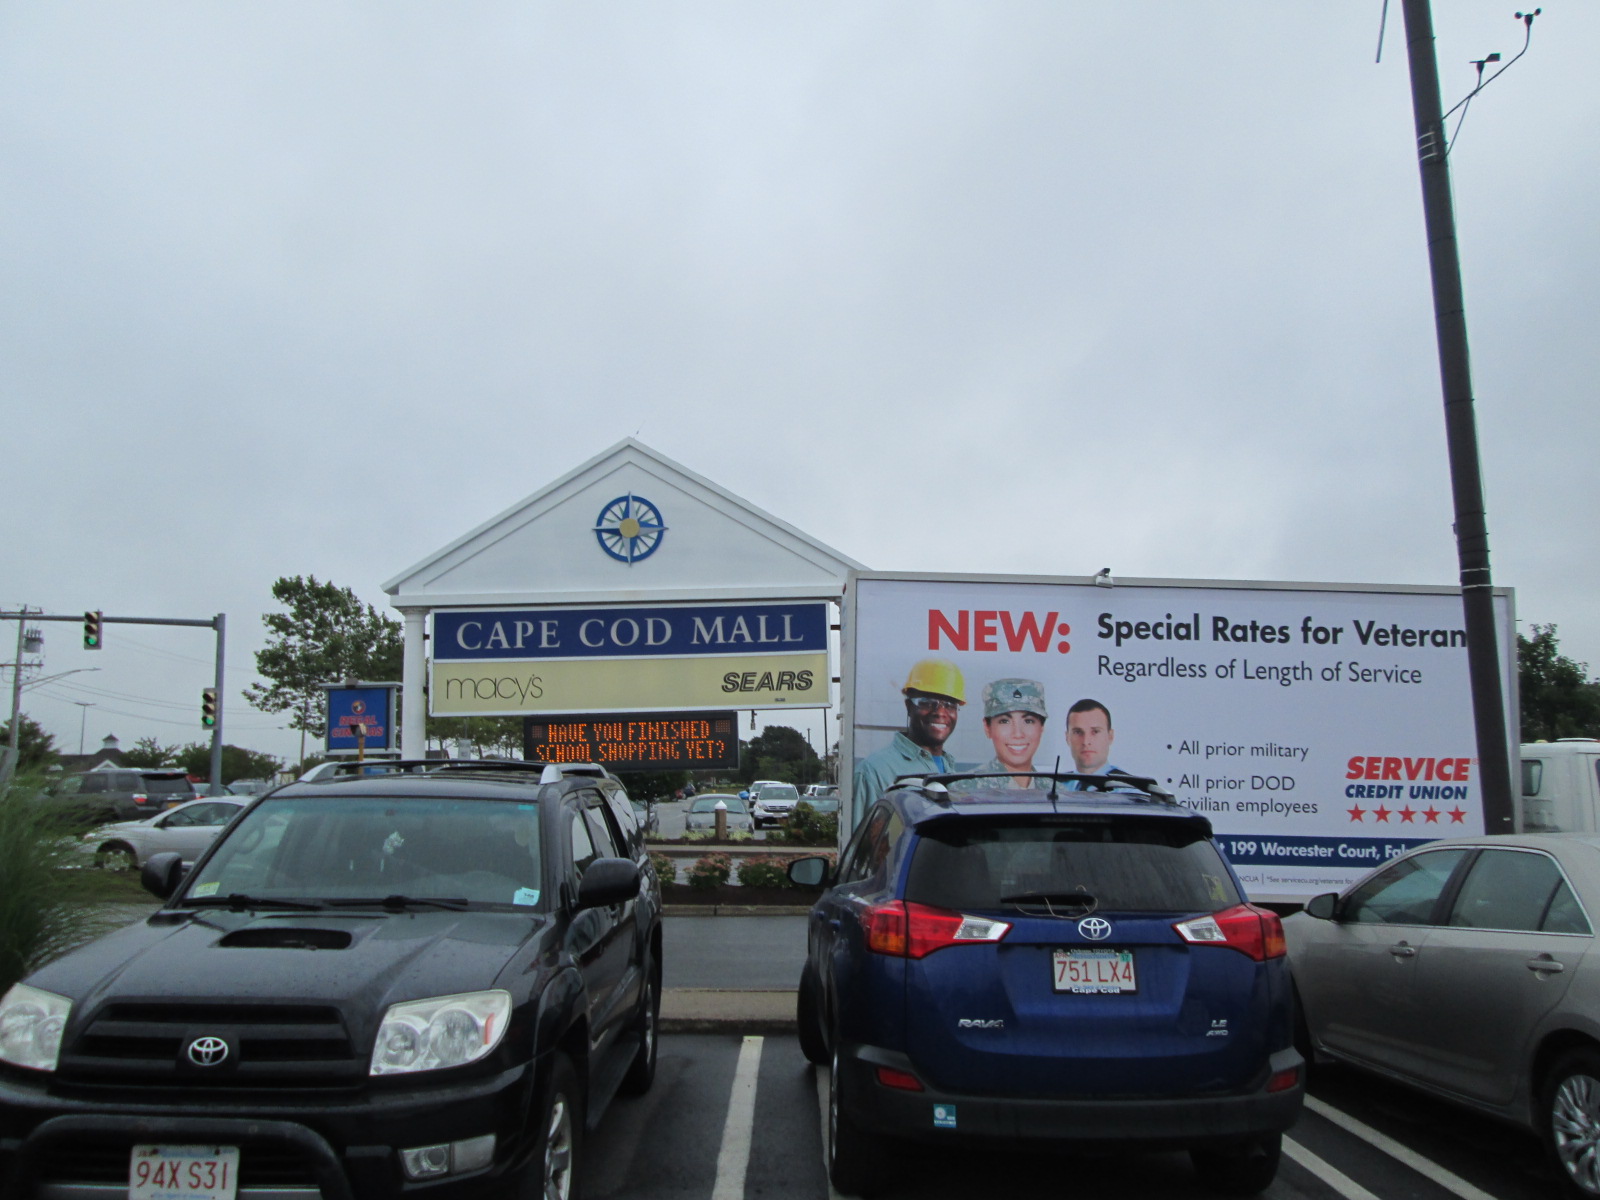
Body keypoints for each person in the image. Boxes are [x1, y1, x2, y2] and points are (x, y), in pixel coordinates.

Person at [852, 658, 966, 810]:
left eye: (950, 705)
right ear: (909, 706)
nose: (939, 712)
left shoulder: (949, 768)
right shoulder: (874, 772)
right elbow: (863, 833)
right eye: (927, 701)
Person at [962, 678, 1051, 790]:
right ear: (987, 727)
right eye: (1004, 721)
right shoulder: (964, 790)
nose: (1018, 734)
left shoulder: (1059, 793)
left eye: (1028, 721)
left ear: (1041, 727)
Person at [1064, 698, 1124, 788]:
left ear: (1110, 736)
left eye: (1095, 732)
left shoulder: (1130, 791)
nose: (1086, 741)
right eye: (1078, 732)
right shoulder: (1053, 788)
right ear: (1067, 738)